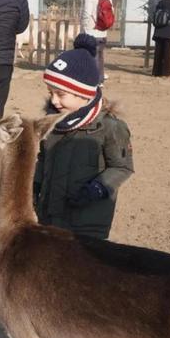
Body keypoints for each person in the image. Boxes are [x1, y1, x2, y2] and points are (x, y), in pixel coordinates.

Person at [34, 34, 134, 239]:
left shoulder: (110, 127)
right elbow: (43, 158)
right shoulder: (53, 122)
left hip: (87, 221)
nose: (54, 100)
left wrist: (98, 188)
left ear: (84, 93)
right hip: (50, 215)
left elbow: (122, 167)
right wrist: (34, 186)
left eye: (60, 94)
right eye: (50, 92)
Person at [81, 0, 113, 84]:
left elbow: (86, 13)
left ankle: (92, 81)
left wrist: (85, 28)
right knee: (100, 57)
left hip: (92, 31)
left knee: (91, 56)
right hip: (103, 32)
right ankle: (100, 80)